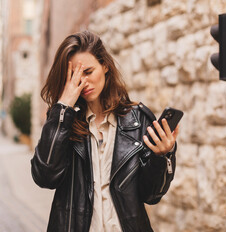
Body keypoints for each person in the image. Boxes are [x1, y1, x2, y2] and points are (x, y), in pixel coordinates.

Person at [31, 30, 179, 232]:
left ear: (105, 66)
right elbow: (44, 177)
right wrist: (63, 107)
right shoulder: (62, 122)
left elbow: (152, 195)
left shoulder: (138, 120)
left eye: (88, 72)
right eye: (74, 76)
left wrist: (163, 156)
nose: (83, 82)